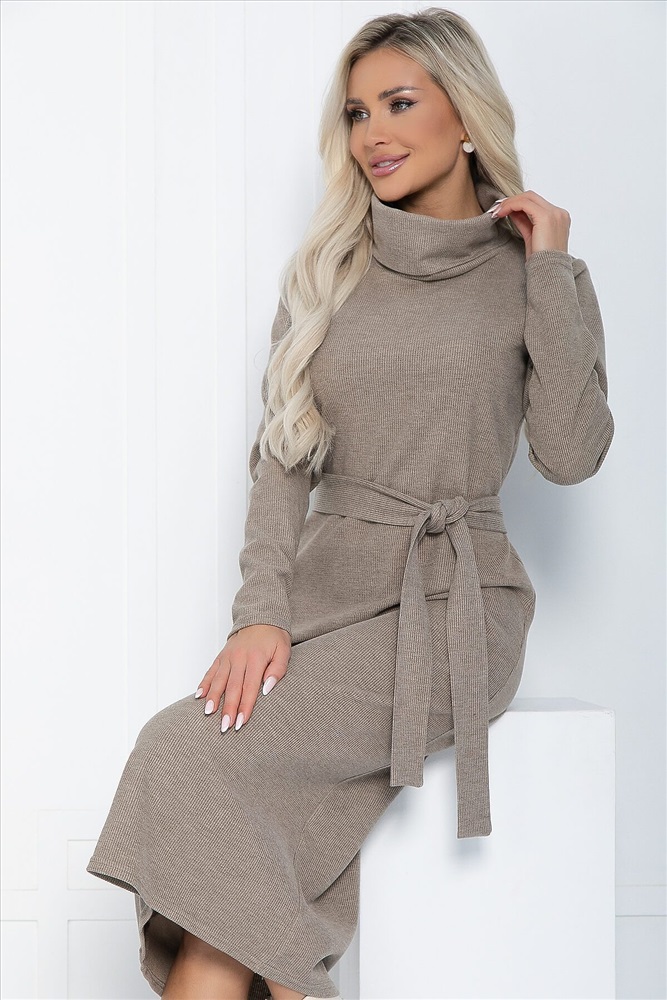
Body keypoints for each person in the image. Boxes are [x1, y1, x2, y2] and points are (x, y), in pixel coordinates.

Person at [86, 7, 614, 999]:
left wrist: (549, 268)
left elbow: (570, 454)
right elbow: (280, 463)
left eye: (398, 103)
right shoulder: (329, 270)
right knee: (205, 824)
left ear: (466, 114)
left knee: (190, 768)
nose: (373, 132)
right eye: (358, 112)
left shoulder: (533, 277)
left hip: (455, 608)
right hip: (327, 599)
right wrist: (260, 612)